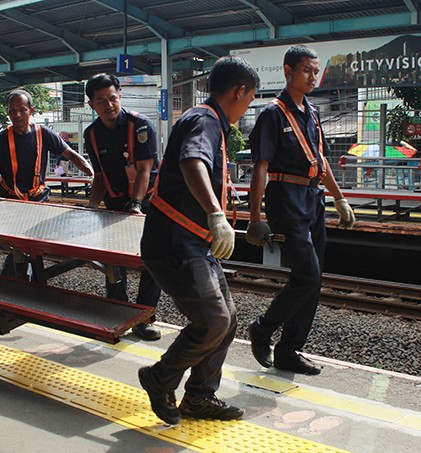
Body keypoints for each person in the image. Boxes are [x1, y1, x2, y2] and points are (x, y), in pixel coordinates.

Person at [138, 56, 259, 425]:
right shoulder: (205, 119)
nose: (247, 106)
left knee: (228, 319)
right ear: (239, 91)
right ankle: (160, 378)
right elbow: (193, 163)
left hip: (191, 241)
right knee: (212, 320)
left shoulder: (212, 123)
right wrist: (215, 213)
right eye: (250, 98)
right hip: (175, 241)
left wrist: (220, 204)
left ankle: (199, 397)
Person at [245, 44, 355, 376]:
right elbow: (260, 168)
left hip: (313, 198)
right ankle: (262, 328)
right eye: (306, 70)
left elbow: (320, 162)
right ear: (288, 71)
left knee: (313, 278)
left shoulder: (313, 113)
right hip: (285, 199)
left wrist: (339, 198)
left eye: (315, 70)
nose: (312, 76)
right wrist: (254, 218)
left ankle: (289, 349)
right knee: (307, 274)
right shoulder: (272, 114)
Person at [83, 73, 162, 341]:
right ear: (92, 105)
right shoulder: (91, 134)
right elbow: (100, 175)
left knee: (152, 262)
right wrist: (92, 205)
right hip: (115, 203)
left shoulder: (140, 126)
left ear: (120, 96)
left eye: (113, 98)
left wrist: (137, 205)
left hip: (148, 203)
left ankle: (145, 318)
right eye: (101, 101)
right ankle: (117, 312)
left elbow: (144, 170)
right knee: (113, 263)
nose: (109, 105)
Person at [0, 89, 93, 278]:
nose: (17, 115)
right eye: (12, 111)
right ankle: (22, 284)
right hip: (10, 203)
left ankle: (19, 283)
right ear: (8, 112)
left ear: (31, 111)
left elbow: (73, 156)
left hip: (37, 201)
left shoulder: (45, 134)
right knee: (20, 247)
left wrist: (92, 174)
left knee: (30, 246)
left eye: (22, 110)